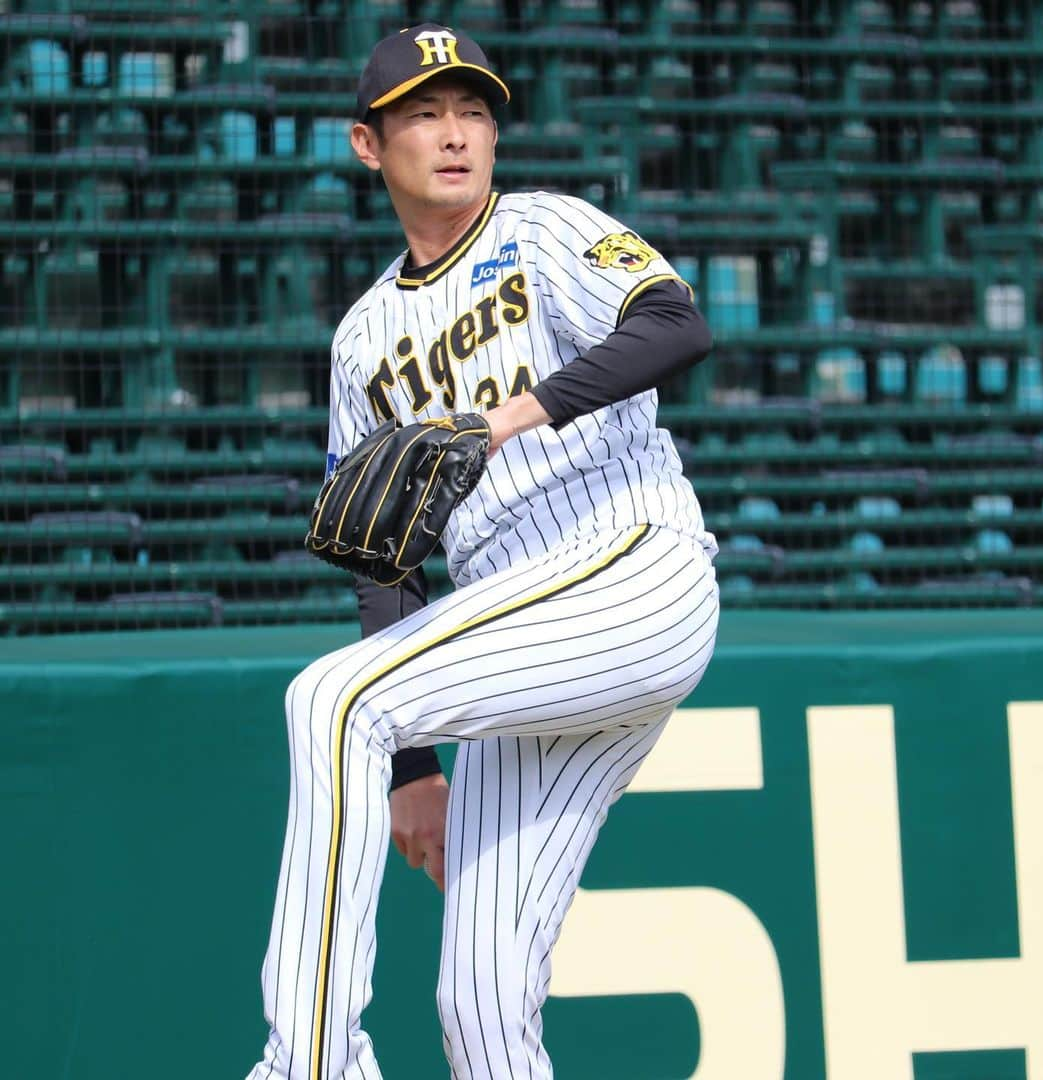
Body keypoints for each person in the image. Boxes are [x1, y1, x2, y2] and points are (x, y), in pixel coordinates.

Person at [247, 23, 719, 1080]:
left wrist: (511, 415)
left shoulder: (544, 228)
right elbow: (381, 550)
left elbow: (675, 324)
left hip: (631, 568)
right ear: (370, 146)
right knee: (482, 998)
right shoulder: (363, 338)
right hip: (526, 646)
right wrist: (414, 771)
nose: (456, 134)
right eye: (424, 113)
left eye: (472, 111)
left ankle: (309, 1064)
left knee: (330, 701)